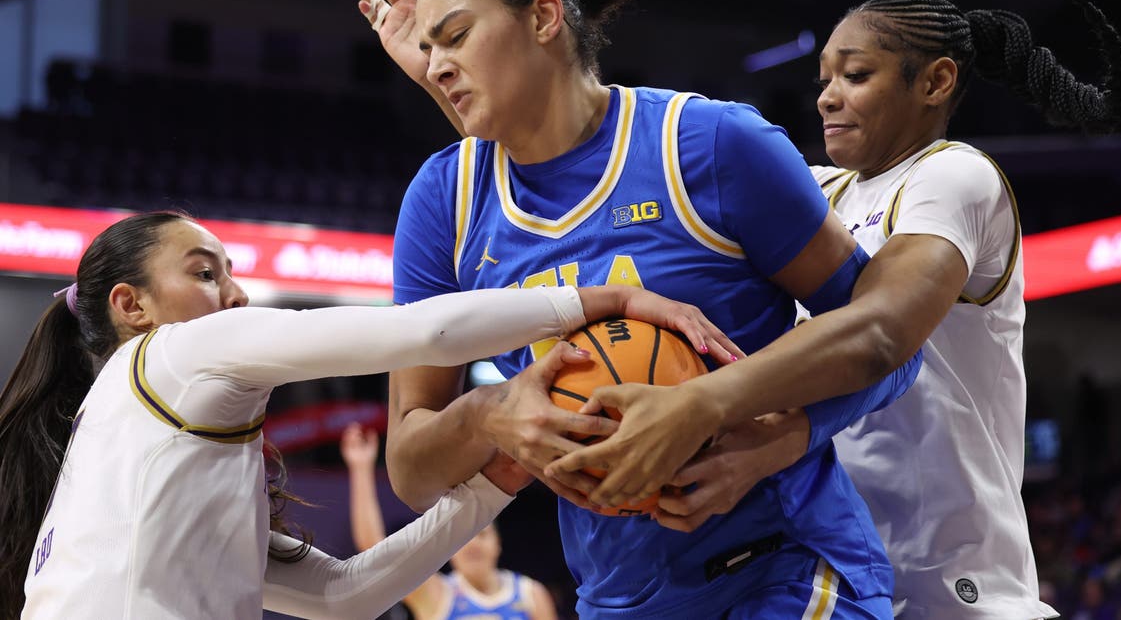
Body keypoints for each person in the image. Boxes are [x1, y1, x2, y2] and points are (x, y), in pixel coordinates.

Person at [543, 0, 1121, 620]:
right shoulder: (816, 192)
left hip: (949, 582)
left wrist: (708, 409)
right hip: (824, 563)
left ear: (936, 81)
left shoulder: (954, 176)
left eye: (856, 76)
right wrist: (539, 59)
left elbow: (881, 330)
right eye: (825, 77)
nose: (827, 96)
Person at [345, 0, 923, 618]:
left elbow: (893, 344)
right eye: (428, 47)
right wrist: (491, 413)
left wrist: (776, 441)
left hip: (783, 566)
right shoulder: (444, 202)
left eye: (456, 36)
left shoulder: (708, 145)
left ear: (543, 17)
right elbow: (412, 466)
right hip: (618, 595)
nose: (436, 64)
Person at [0, 211, 736, 619]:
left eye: (229, 272)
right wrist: (604, 299)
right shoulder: (174, 353)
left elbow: (343, 594)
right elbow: (421, 334)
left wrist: (495, 481)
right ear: (132, 306)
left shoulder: (129, 447)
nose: (235, 296)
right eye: (203, 273)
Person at [341, 423, 557, 620]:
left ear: (497, 543)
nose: (472, 544)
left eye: (481, 535)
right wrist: (361, 468)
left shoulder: (531, 594)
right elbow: (374, 549)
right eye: (463, 539)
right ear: (450, 550)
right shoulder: (437, 593)